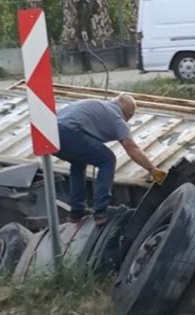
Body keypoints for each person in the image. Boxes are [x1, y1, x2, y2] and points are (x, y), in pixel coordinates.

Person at [55, 94, 167, 225]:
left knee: (78, 162)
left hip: (49, 135)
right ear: (129, 115)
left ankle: (76, 211)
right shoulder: (117, 118)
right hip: (68, 132)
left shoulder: (97, 105)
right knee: (107, 159)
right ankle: (100, 210)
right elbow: (132, 149)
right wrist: (152, 169)